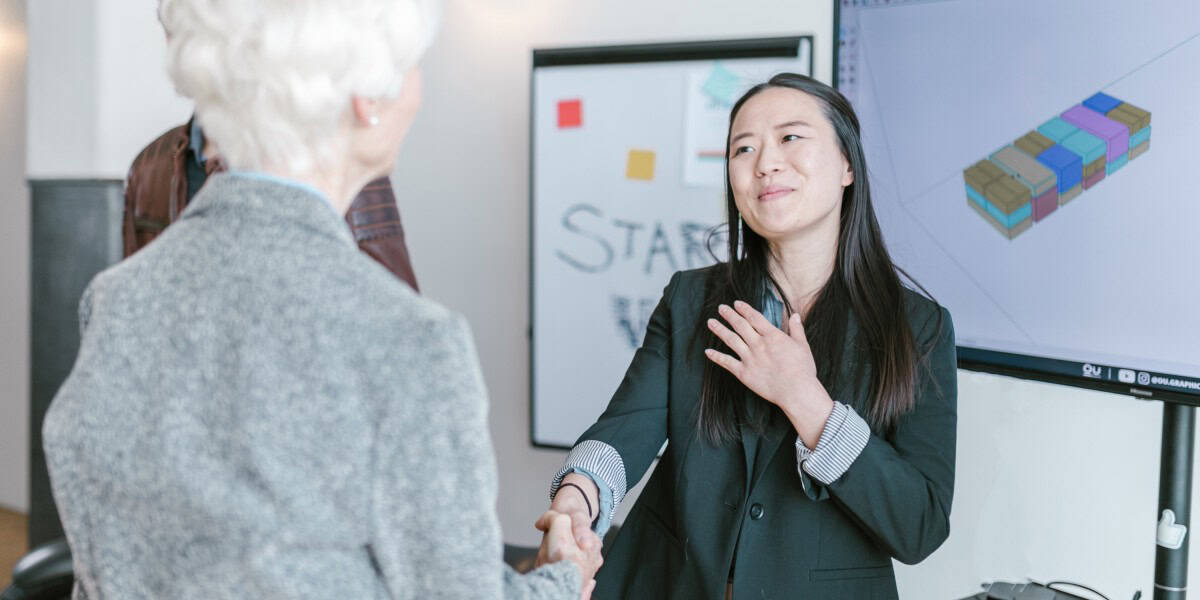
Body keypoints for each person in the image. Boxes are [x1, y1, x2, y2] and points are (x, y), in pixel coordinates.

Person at [42, 1, 601, 598]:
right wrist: (563, 580)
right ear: (369, 97)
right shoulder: (411, 341)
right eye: (413, 65)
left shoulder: (116, 300)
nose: (418, 88)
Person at [537, 73, 957, 599]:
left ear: (848, 165)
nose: (765, 162)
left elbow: (920, 524)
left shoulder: (919, 328)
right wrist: (576, 499)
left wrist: (807, 402)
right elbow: (625, 431)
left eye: (790, 138)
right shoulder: (690, 299)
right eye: (743, 148)